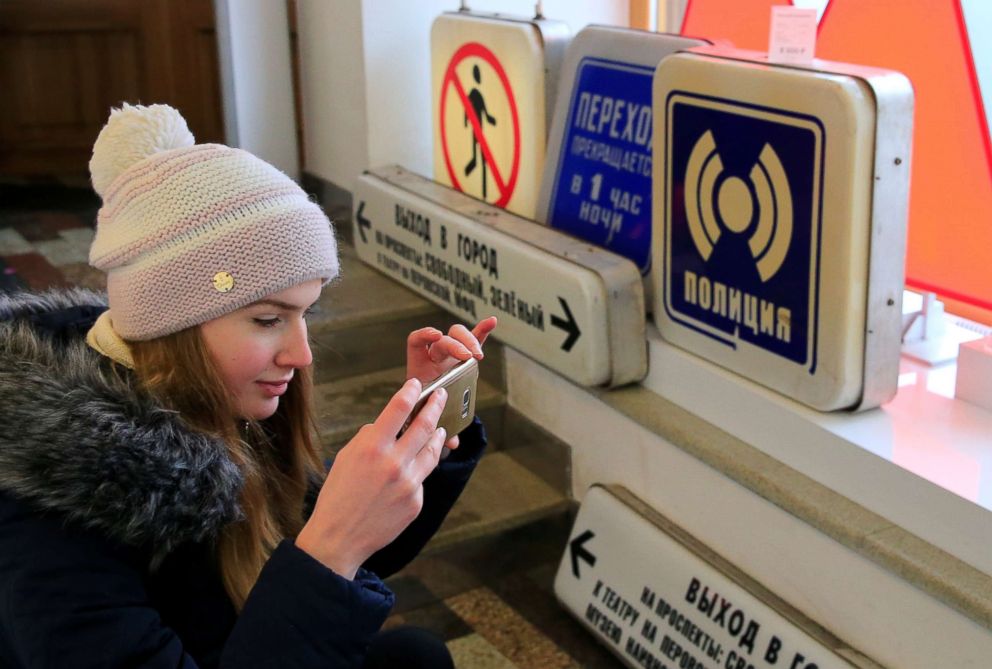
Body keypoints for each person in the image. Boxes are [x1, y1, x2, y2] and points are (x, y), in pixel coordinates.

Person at [0, 103, 497, 668]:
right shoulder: (49, 514)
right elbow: (323, 559)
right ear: (171, 322)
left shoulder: (213, 399)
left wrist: (416, 446)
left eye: (306, 313)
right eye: (268, 319)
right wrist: (330, 549)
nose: (302, 353)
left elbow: (336, 553)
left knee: (414, 657)